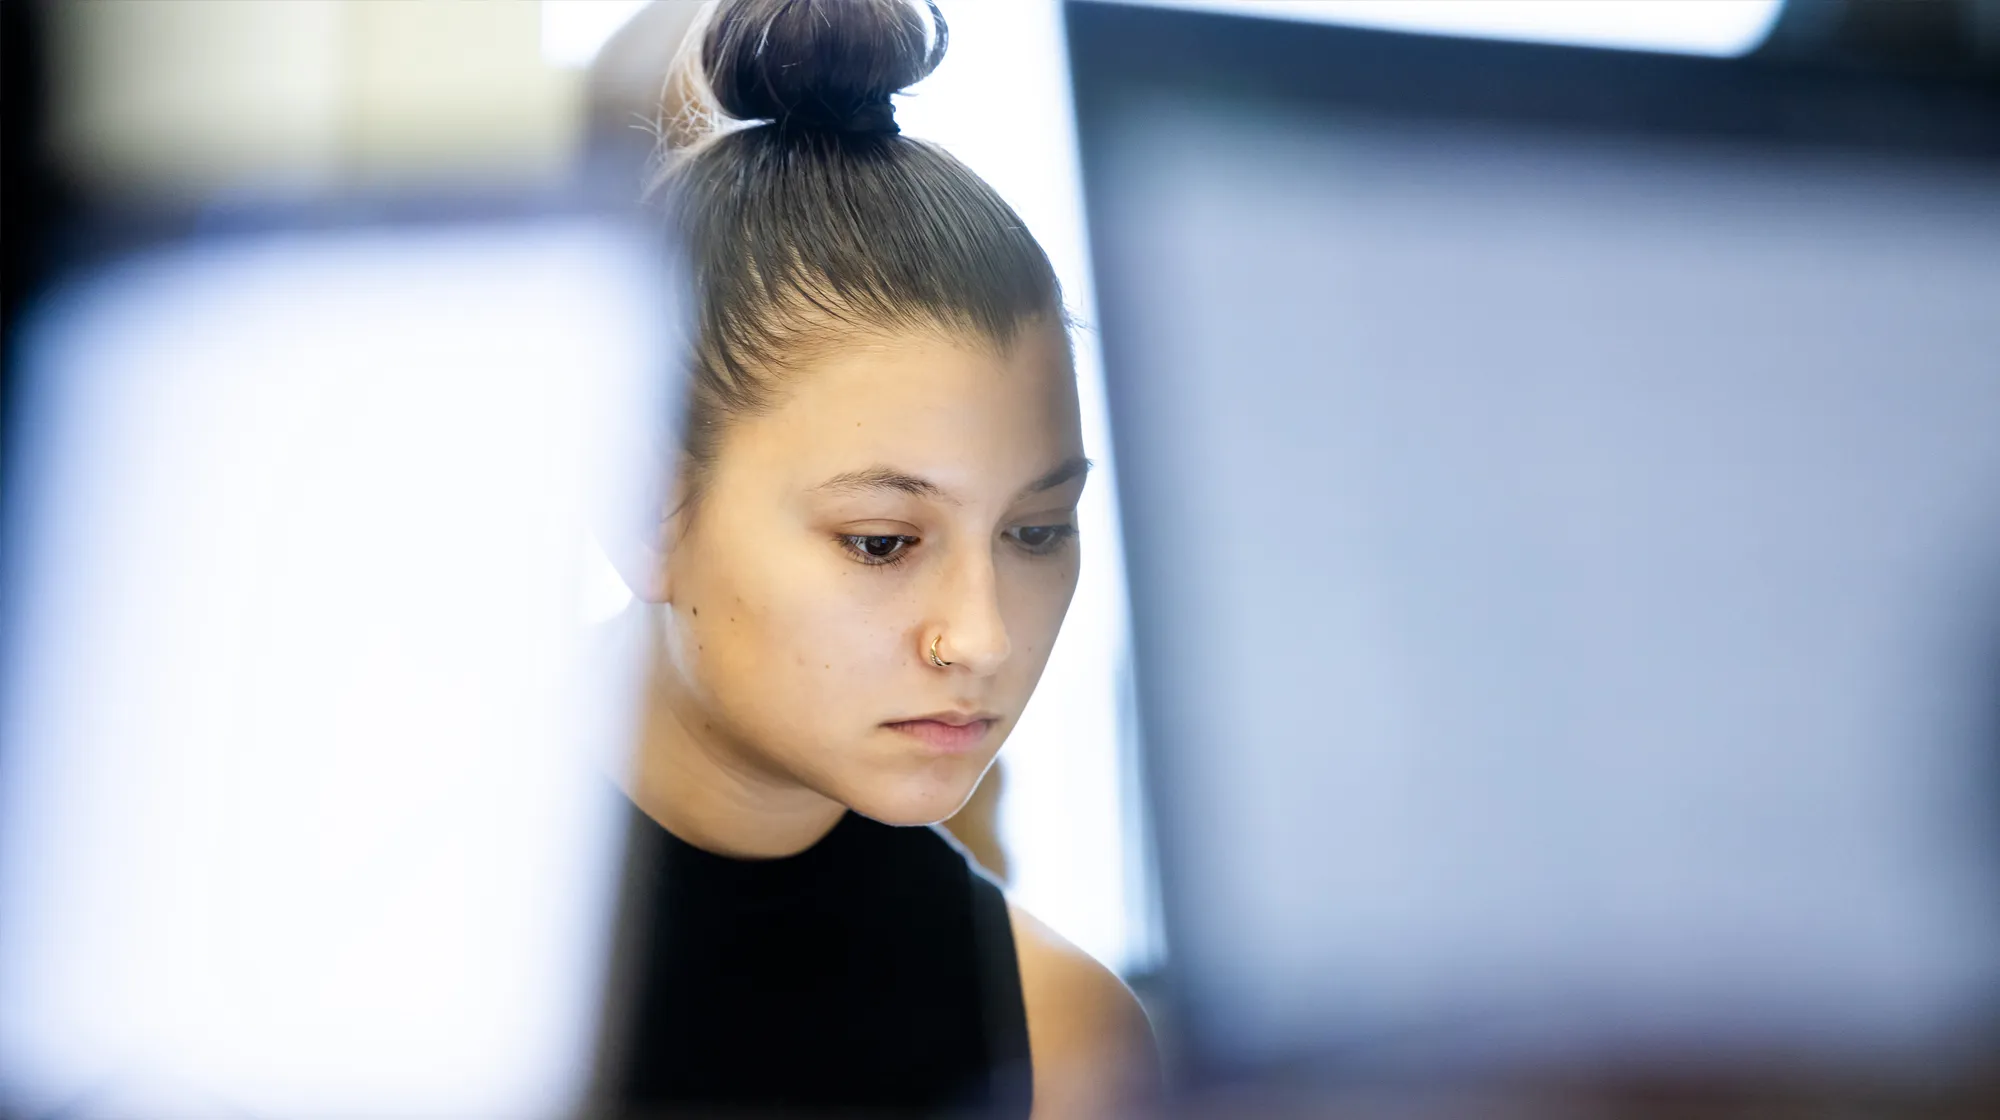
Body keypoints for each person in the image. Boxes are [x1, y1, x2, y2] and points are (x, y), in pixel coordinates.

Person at [591, 1, 1158, 1115]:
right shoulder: (356, 931)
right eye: (882, 541)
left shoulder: (1060, 1043)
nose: (982, 637)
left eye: (1035, 531)